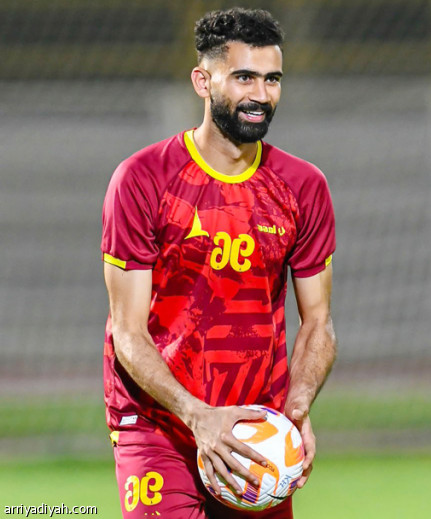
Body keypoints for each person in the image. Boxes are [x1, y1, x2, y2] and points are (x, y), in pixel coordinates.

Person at [101, 8, 337, 518]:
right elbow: (128, 331)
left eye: (272, 79)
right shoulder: (143, 180)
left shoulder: (303, 187)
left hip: (255, 431)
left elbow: (318, 321)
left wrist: (297, 408)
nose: (261, 94)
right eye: (244, 77)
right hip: (159, 425)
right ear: (202, 81)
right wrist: (196, 415)